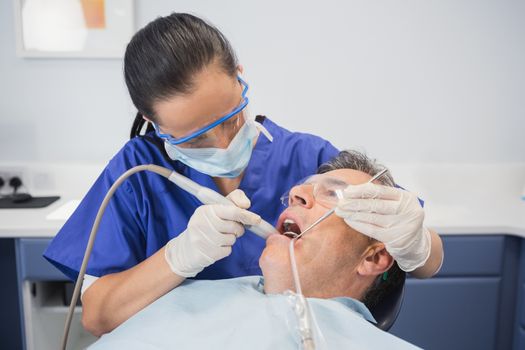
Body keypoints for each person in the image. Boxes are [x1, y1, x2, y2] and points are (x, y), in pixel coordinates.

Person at [43, 13, 443, 336]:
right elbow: (96, 318)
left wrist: (418, 246)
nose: (222, 142)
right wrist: (178, 258)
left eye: (232, 118)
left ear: (238, 75)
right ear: (154, 122)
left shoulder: (308, 156)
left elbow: (413, 256)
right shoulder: (137, 175)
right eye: (198, 137)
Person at [88, 151, 419, 349]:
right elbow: (95, 315)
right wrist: (179, 255)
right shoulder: (184, 298)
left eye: (333, 194)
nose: (297, 194)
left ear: (374, 257)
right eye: (300, 190)